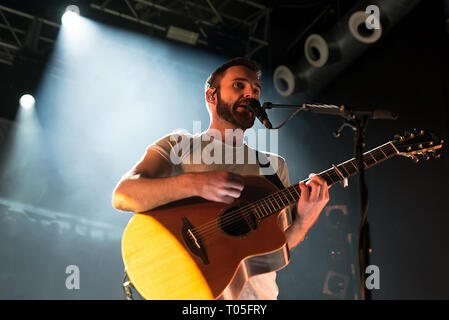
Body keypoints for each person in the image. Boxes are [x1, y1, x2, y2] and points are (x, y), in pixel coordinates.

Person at [112, 57, 329, 300]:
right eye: (239, 85)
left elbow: (276, 247)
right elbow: (124, 195)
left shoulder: (274, 165)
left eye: (256, 90)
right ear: (211, 96)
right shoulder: (179, 144)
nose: (250, 93)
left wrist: (304, 220)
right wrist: (195, 183)